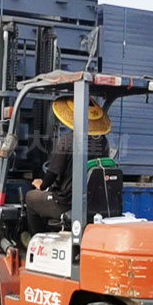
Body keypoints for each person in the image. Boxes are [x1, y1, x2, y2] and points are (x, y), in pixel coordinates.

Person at [25, 96, 111, 234]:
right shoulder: (103, 142)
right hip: (92, 201)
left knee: (31, 198)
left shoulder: (68, 141)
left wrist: (42, 185)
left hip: (66, 203)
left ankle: (37, 238)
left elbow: (52, 173)